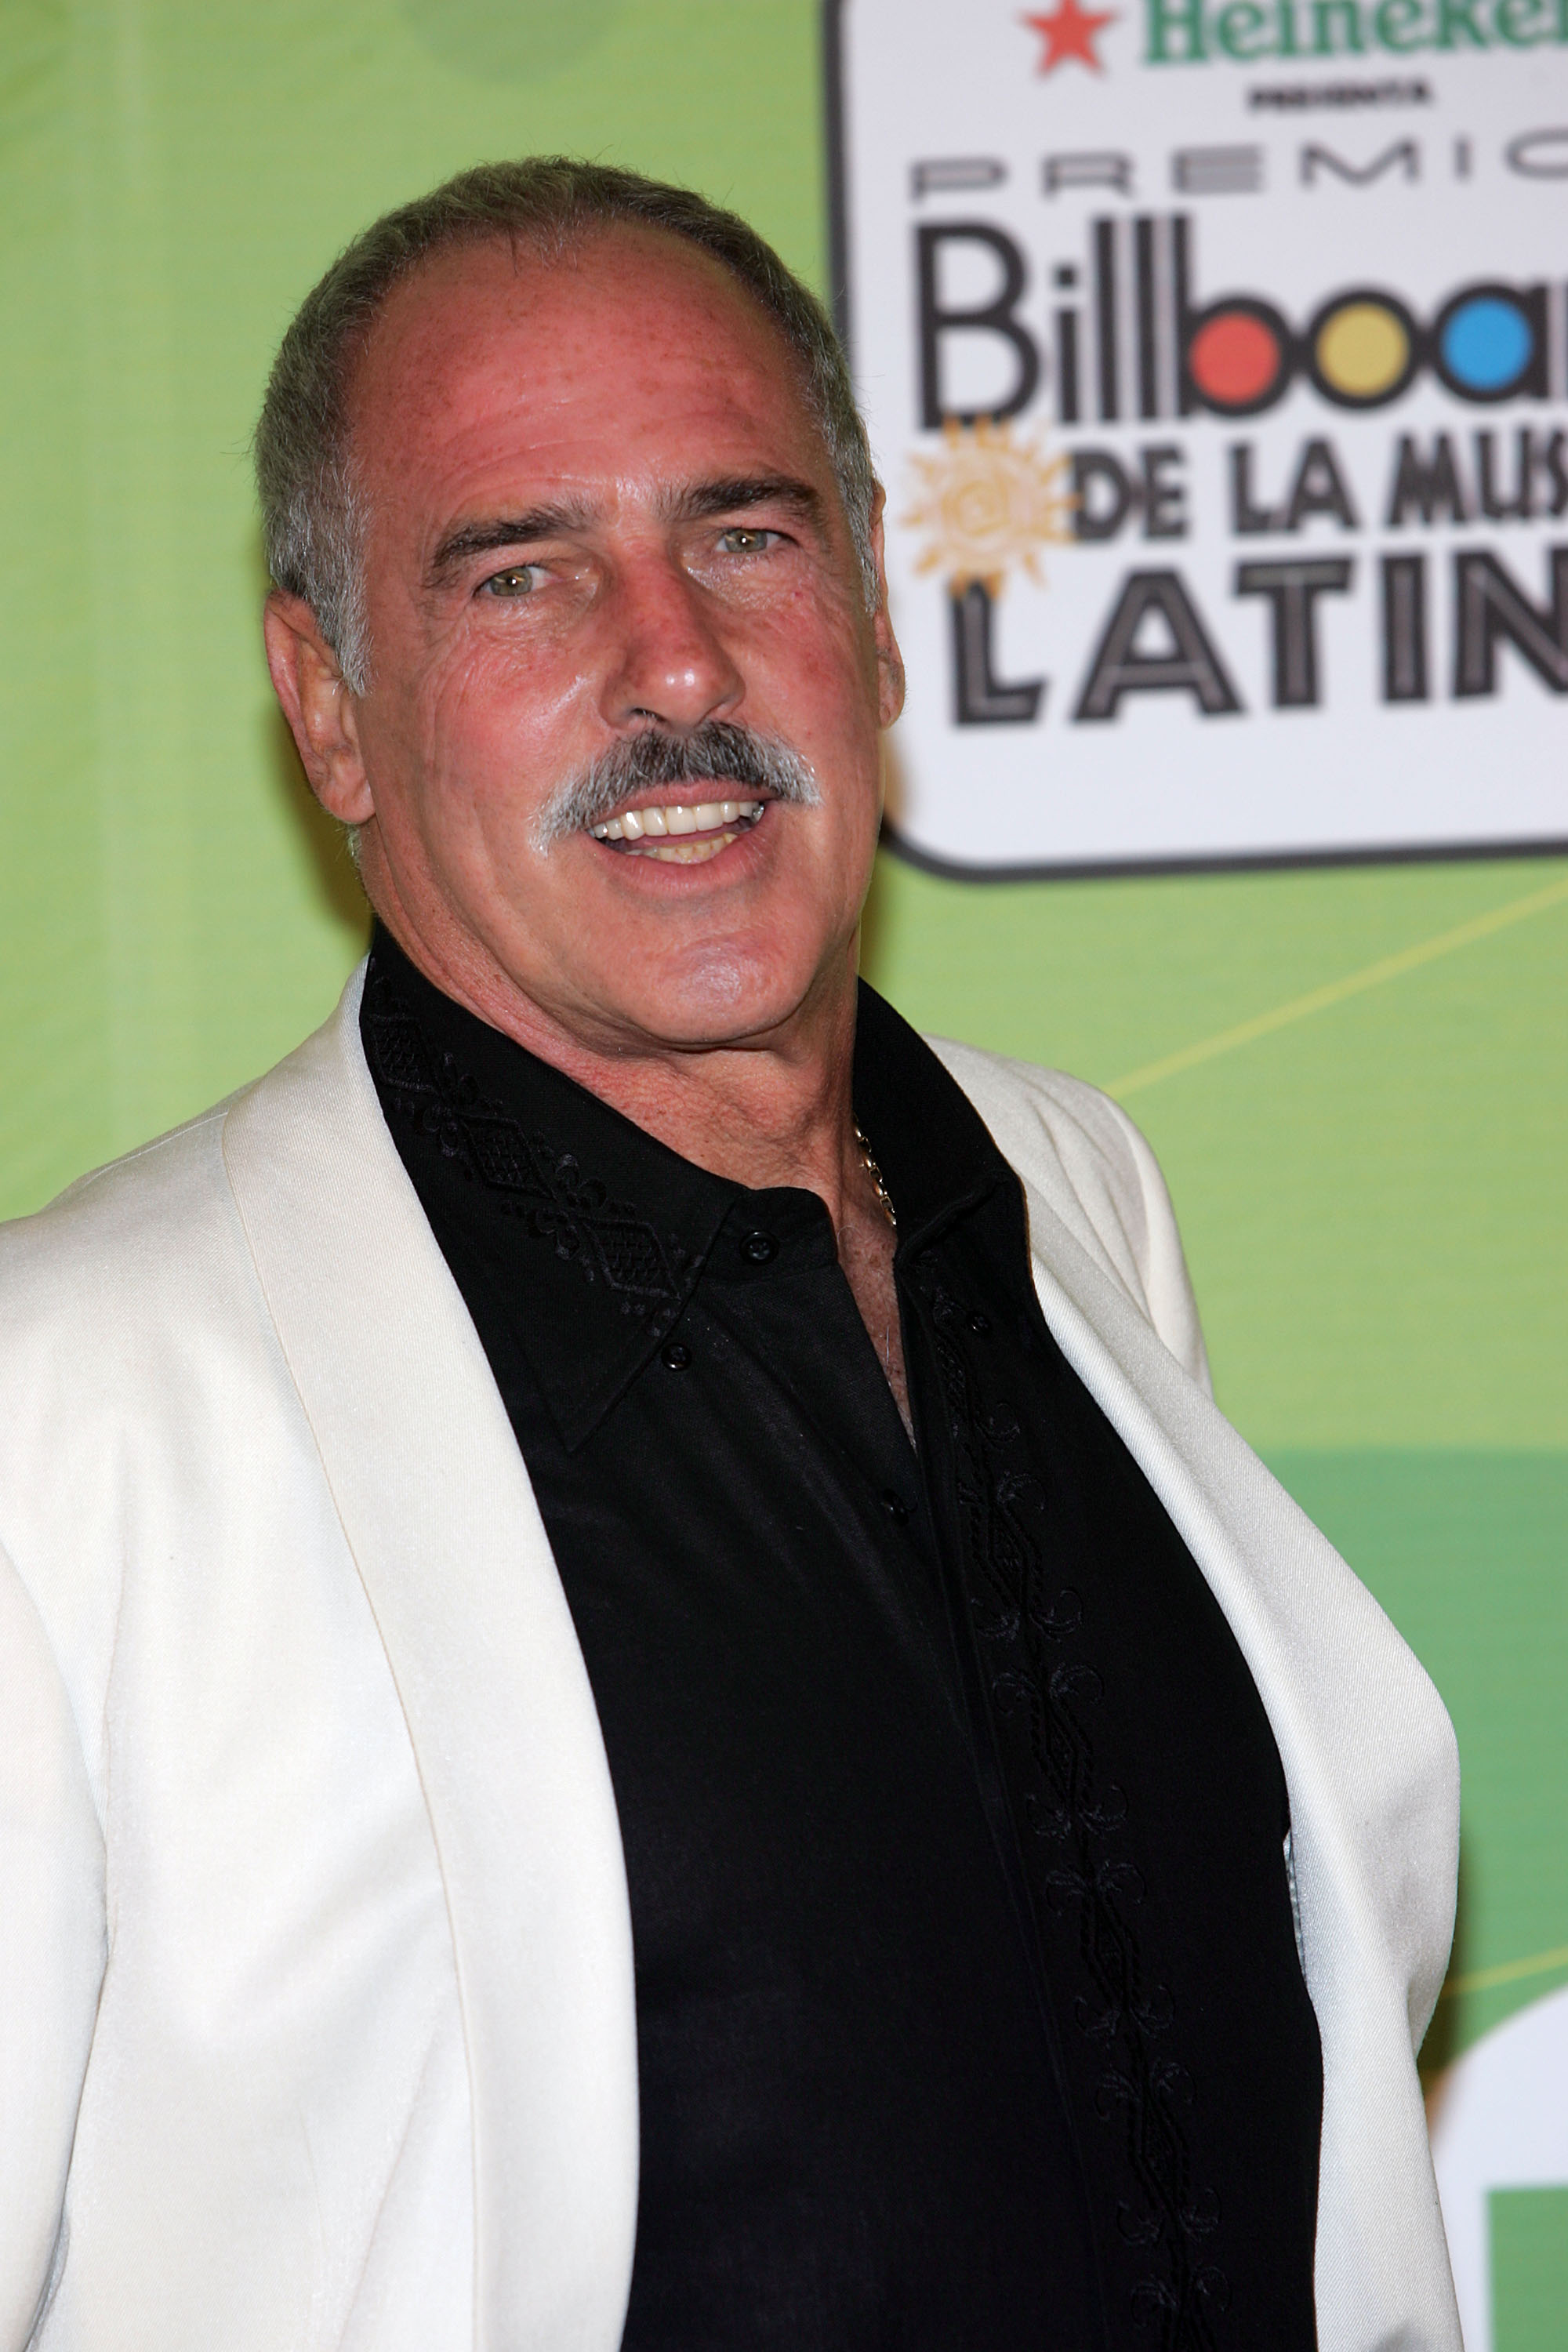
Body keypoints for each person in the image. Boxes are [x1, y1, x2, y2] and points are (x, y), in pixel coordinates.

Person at [0, 159, 1459, 2352]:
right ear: (326, 705)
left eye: (745, 534)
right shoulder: (78, 1401)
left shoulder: (1069, 1197)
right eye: (522, 575)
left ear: (875, 612)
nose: (672, 655)